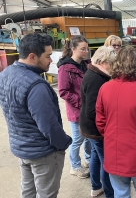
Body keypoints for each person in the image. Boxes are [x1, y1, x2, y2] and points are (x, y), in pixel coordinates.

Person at [0, 33, 72, 197]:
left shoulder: (5, 74)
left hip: (21, 147)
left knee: (28, 191)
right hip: (42, 152)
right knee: (47, 193)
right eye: (48, 56)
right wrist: (63, 143)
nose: (51, 61)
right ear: (33, 56)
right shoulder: (36, 86)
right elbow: (49, 126)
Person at [95, 46, 136, 198]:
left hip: (114, 152)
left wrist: (113, 135)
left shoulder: (105, 88)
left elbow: (100, 122)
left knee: (120, 194)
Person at [80, 46, 116, 198]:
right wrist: (106, 128)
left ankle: (96, 186)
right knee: (107, 163)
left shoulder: (95, 73)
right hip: (95, 129)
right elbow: (92, 111)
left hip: (89, 127)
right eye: (111, 64)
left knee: (95, 156)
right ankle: (110, 193)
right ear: (101, 61)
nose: (113, 67)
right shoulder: (96, 78)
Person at [57, 35, 91, 179]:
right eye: (83, 49)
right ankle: (75, 166)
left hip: (89, 108)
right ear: (73, 49)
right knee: (78, 139)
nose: (86, 51)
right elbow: (63, 91)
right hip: (77, 110)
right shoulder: (65, 68)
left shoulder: (87, 64)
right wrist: (81, 102)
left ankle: (89, 160)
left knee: (89, 137)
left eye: (87, 48)